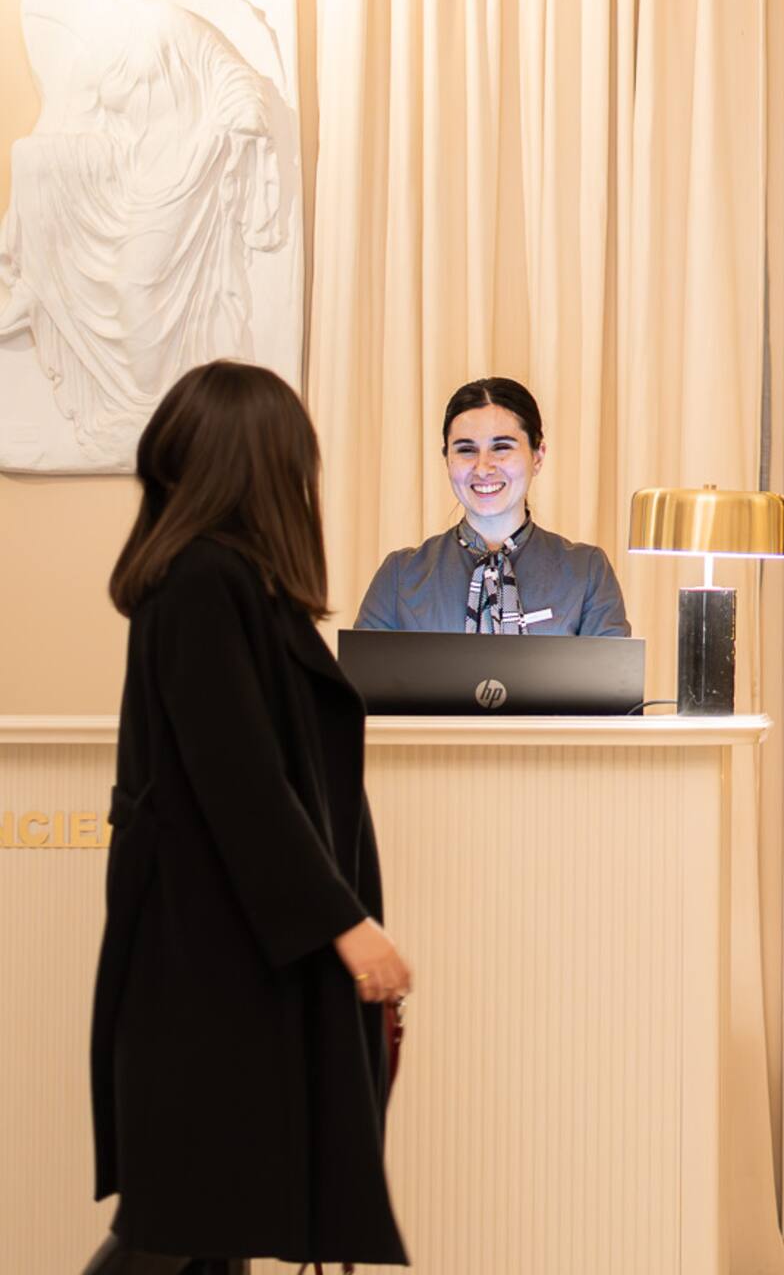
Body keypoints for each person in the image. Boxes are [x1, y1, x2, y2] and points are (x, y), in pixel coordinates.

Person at [84, 360, 409, 1275]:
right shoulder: (200, 584)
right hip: (207, 972)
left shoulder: (225, 586)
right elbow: (240, 784)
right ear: (264, 466)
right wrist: (347, 927)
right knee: (183, 1225)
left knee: (210, 1222)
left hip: (229, 963)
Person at [355, 376, 630, 636]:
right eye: (466, 450)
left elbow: (611, 682)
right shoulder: (400, 576)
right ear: (447, 459)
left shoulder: (587, 572)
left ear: (537, 456)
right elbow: (361, 681)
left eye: (501, 448)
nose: (483, 468)